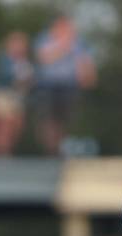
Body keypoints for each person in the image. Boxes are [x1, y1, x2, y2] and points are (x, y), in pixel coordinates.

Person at [32, 14, 97, 155]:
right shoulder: (45, 39)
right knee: (49, 119)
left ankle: (63, 149)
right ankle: (51, 150)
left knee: (67, 120)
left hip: (69, 86)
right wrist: (64, 46)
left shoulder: (78, 42)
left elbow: (85, 61)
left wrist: (88, 76)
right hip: (48, 86)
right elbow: (44, 58)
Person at [0, 31, 34, 156]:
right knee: (4, 127)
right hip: (4, 96)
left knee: (16, 127)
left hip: (18, 98)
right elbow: (6, 77)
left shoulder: (25, 62)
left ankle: (6, 152)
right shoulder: (4, 59)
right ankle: (1, 155)